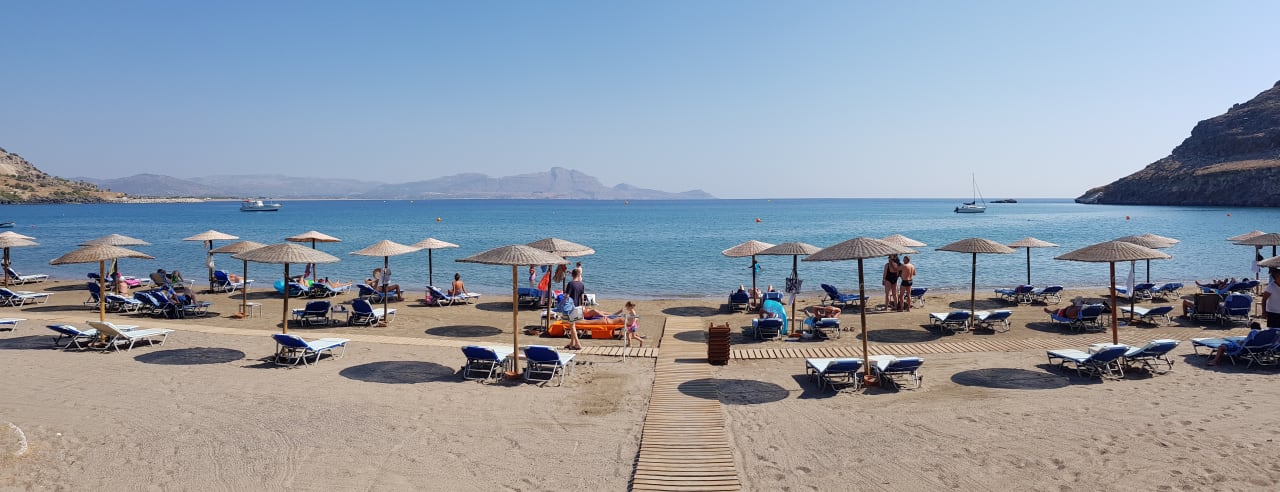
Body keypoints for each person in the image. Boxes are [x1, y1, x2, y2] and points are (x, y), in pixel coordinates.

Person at [562, 269, 586, 350]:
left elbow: (567, 296)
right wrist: (582, 306)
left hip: (571, 307)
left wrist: (562, 303)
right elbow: (582, 297)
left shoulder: (570, 284)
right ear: (579, 275)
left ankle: (578, 344)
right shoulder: (581, 284)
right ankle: (572, 343)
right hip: (578, 307)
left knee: (572, 326)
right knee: (572, 325)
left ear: (572, 275)